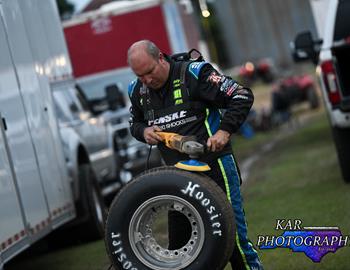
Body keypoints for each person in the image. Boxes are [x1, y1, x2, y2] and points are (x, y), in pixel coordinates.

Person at [127, 40, 263, 270]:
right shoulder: (136, 90)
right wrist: (144, 131)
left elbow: (241, 96)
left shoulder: (195, 73)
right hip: (177, 179)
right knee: (180, 251)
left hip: (215, 168)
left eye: (149, 72)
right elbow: (135, 123)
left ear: (161, 57)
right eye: (140, 76)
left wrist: (224, 131)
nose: (147, 81)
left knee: (233, 241)